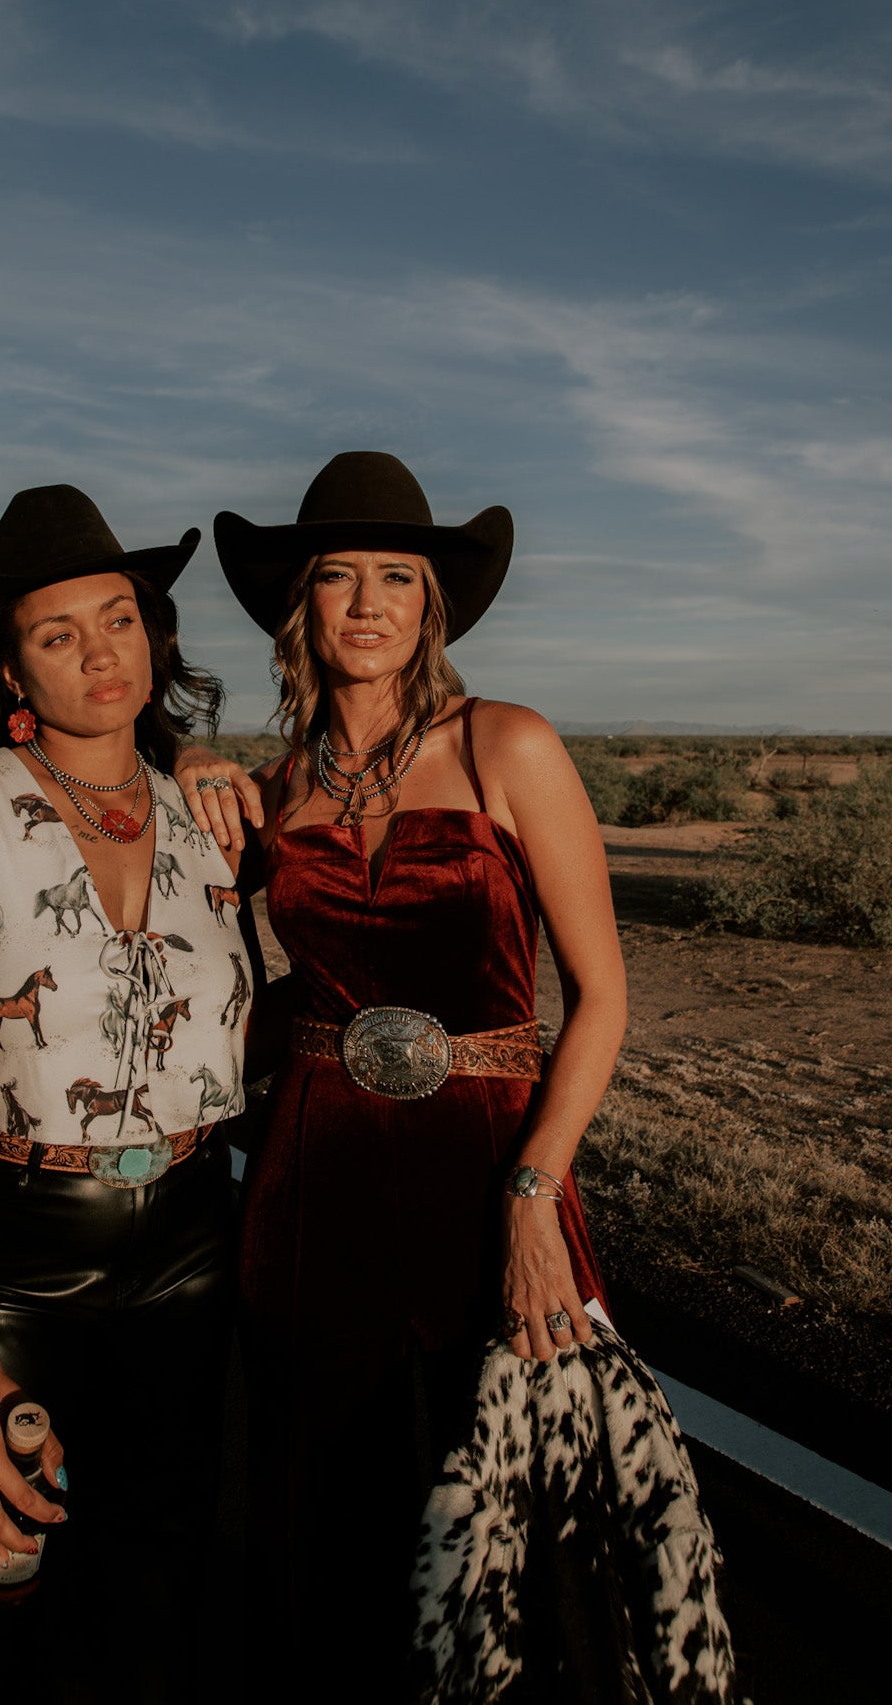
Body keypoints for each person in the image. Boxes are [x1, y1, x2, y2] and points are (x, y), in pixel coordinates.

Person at [177, 450, 631, 1698]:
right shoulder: (270, 791)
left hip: (489, 1166)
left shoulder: (506, 745)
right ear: (301, 607)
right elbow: (245, 991)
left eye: (397, 576)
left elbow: (600, 996)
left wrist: (535, 1196)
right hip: (311, 1177)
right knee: (327, 1518)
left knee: (512, 1515)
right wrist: (188, 775)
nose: (367, 601)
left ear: (433, 604)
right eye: (338, 576)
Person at [0, 484, 264, 1705]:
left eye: (121, 617)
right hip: (26, 1246)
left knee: (161, 1569)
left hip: (199, 1241)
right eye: (59, 633)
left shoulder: (214, 817)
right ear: (8, 671)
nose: (102, 650)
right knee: (4, 1571)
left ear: (156, 636)